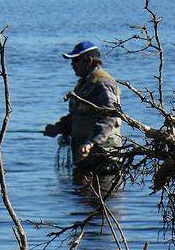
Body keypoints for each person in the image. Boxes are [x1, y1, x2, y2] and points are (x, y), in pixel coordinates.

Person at [43, 41, 122, 184]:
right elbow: (77, 116)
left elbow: (110, 116)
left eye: (76, 60)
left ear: (89, 61)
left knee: (99, 203)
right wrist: (58, 128)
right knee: (81, 203)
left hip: (103, 157)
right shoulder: (84, 84)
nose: (72, 64)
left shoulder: (102, 83)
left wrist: (91, 142)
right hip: (86, 158)